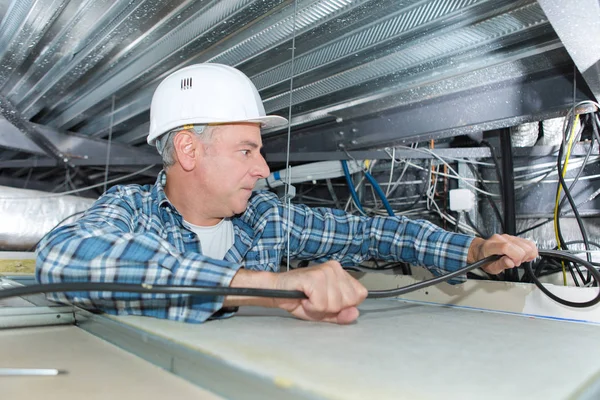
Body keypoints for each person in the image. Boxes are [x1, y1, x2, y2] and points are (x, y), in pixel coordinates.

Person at [36, 63, 538, 325]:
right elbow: (62, 260)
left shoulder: (268, 217)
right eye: (247, 150)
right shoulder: (131, 210)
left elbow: (372, 233)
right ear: (188, 149)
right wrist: (268, 287)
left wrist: (470, 251)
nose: (262, 168)